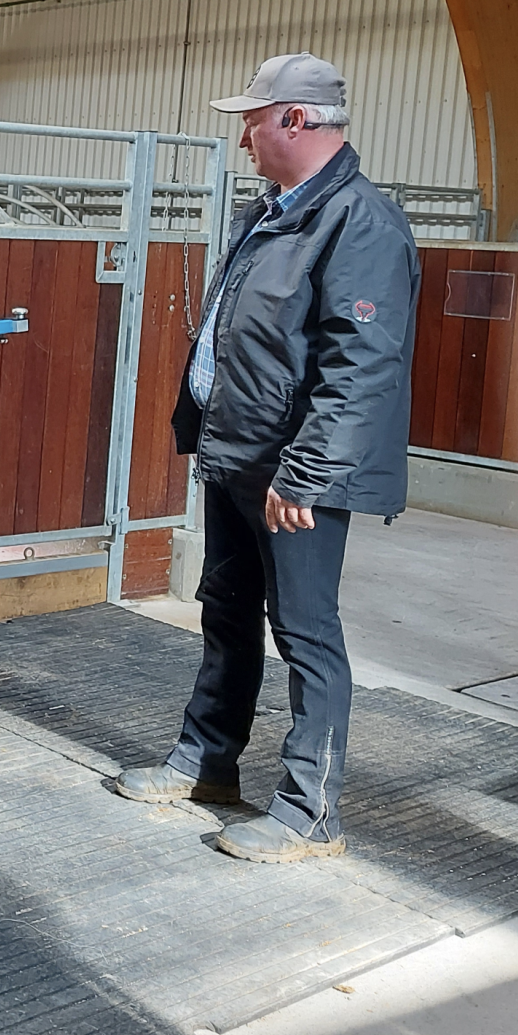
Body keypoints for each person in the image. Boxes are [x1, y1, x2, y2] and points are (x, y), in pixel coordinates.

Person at [115, 53, 419, 863]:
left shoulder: (360, 222)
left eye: (253, 120)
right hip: (241, 453)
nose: (243, 137)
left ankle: (309, 811)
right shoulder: (275, 211)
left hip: (294, 471)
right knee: (226, 608)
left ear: (296, 119)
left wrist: (307, 472)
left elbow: (361, 366)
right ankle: (207, 759)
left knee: (305, 629)